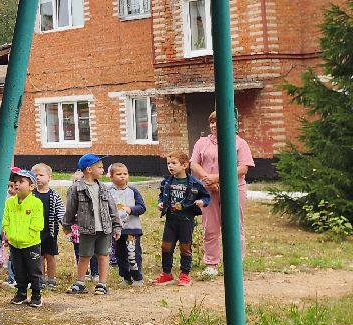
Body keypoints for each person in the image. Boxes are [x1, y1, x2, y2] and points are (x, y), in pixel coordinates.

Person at [189, 110, 255, 279]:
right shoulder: (202, 142)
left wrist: (217, 178)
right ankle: (211, 264)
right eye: (211, 122)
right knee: (210, 227)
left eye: (217, 121)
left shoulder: (239, 143)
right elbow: (194, 164)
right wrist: (208, 179)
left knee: (234, 226)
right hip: (209, 190)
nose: (213, 125)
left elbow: (243, 168)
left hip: (233, 189)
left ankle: (234, 265)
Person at [62, 152, 121, 295]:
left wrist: (117, 226)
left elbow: (112, 208)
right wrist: (66, 225)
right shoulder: (76, 189)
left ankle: (102, 284)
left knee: (103, 255)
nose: (103, 170)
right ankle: (80, 282)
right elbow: (70, 209)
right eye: (100, 167)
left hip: (105, 229)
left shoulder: (104, 188)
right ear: (89, 169)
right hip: (87, 229)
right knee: (84, 256)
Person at [155, 152, 211, 285]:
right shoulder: (167, 182)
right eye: (168, 163)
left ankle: (185, 274)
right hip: (171, 220)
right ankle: (167, 274)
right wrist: (161, 203)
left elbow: (206, 196)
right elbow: (162, 195)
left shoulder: (194, 183)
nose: (170, 166)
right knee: (166, 247)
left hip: (186, 220)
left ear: (184, 165)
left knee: (185, 247)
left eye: (174, 163)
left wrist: (202, 202)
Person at [3, 168, 45, 307]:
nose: (16, 184)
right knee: (18, 270)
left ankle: (36, 294)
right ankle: (21, 293)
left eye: (21, 181)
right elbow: (5, 220)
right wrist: (9, 234)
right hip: (14, 244)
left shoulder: (36, 203)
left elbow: (38, 224)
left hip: (31, 244)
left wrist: (28, 236)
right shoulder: (9, 202)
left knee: (34, 271)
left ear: (31, 186)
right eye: (15, 181)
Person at [108, 162, 147, 286]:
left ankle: (137, 278)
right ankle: (126, 277)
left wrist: (131, 209)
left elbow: (142, 207)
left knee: (132, 254)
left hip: (132, 229)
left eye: (125, 173)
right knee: (120, 254)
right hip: (117, 230)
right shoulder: (108, 192)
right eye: (119, 174)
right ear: (111, 177)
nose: (122, 176)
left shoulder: (133, 191)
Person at [31, 162, 65, 290]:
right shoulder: (31, 195)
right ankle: (40, 278)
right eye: (35, 175)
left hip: (50, 231)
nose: (38, 177)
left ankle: (51, 279)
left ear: (49, 177)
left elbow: (61, 211)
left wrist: (65, 224)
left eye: (41, 175)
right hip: (35, 231)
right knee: (39, 256)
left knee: (50, 255)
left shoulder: (54, 195)